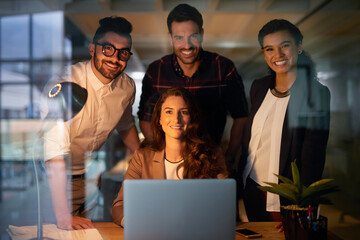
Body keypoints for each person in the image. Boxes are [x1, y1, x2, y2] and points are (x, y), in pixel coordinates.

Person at [43, 16, 140, 230]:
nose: (115, 59)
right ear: (92, 49)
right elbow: (53, 153)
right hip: (55, 184)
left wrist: (145, 158)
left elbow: (125, 125)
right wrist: (62, 215)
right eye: (108, 49)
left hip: (89, 178)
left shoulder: (126, 87)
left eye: (123, 52)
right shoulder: (66, 84)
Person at [238, 19, 330, 225]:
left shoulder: (316, 94)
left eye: (284, 46)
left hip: (287, 201)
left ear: (299, 46)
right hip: (252, 189)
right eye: (269, 49)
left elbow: (313, 155)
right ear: (264, 53)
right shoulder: (259, 87)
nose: (277, 55)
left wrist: (302, 204)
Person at [137, 3, 248, 172]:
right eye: (179, 38)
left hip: (212, 162)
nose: (187, 45)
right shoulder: (156, 71)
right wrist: (160, 153)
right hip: (168, 164)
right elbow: (144, 119)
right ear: (170, 37)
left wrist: (230, 156)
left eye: (193, 36)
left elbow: (241, 117)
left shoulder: (224, 69)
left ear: (202, 34)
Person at [112, 87, 228, 227]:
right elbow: (119, 205)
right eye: (169, 112)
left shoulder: (212, 155)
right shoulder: (142, 157)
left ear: (192, 118)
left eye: (183, 112)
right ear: (160, 119)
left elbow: (225, 206)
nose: (176, 119)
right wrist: (132, 223)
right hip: (154, 232)